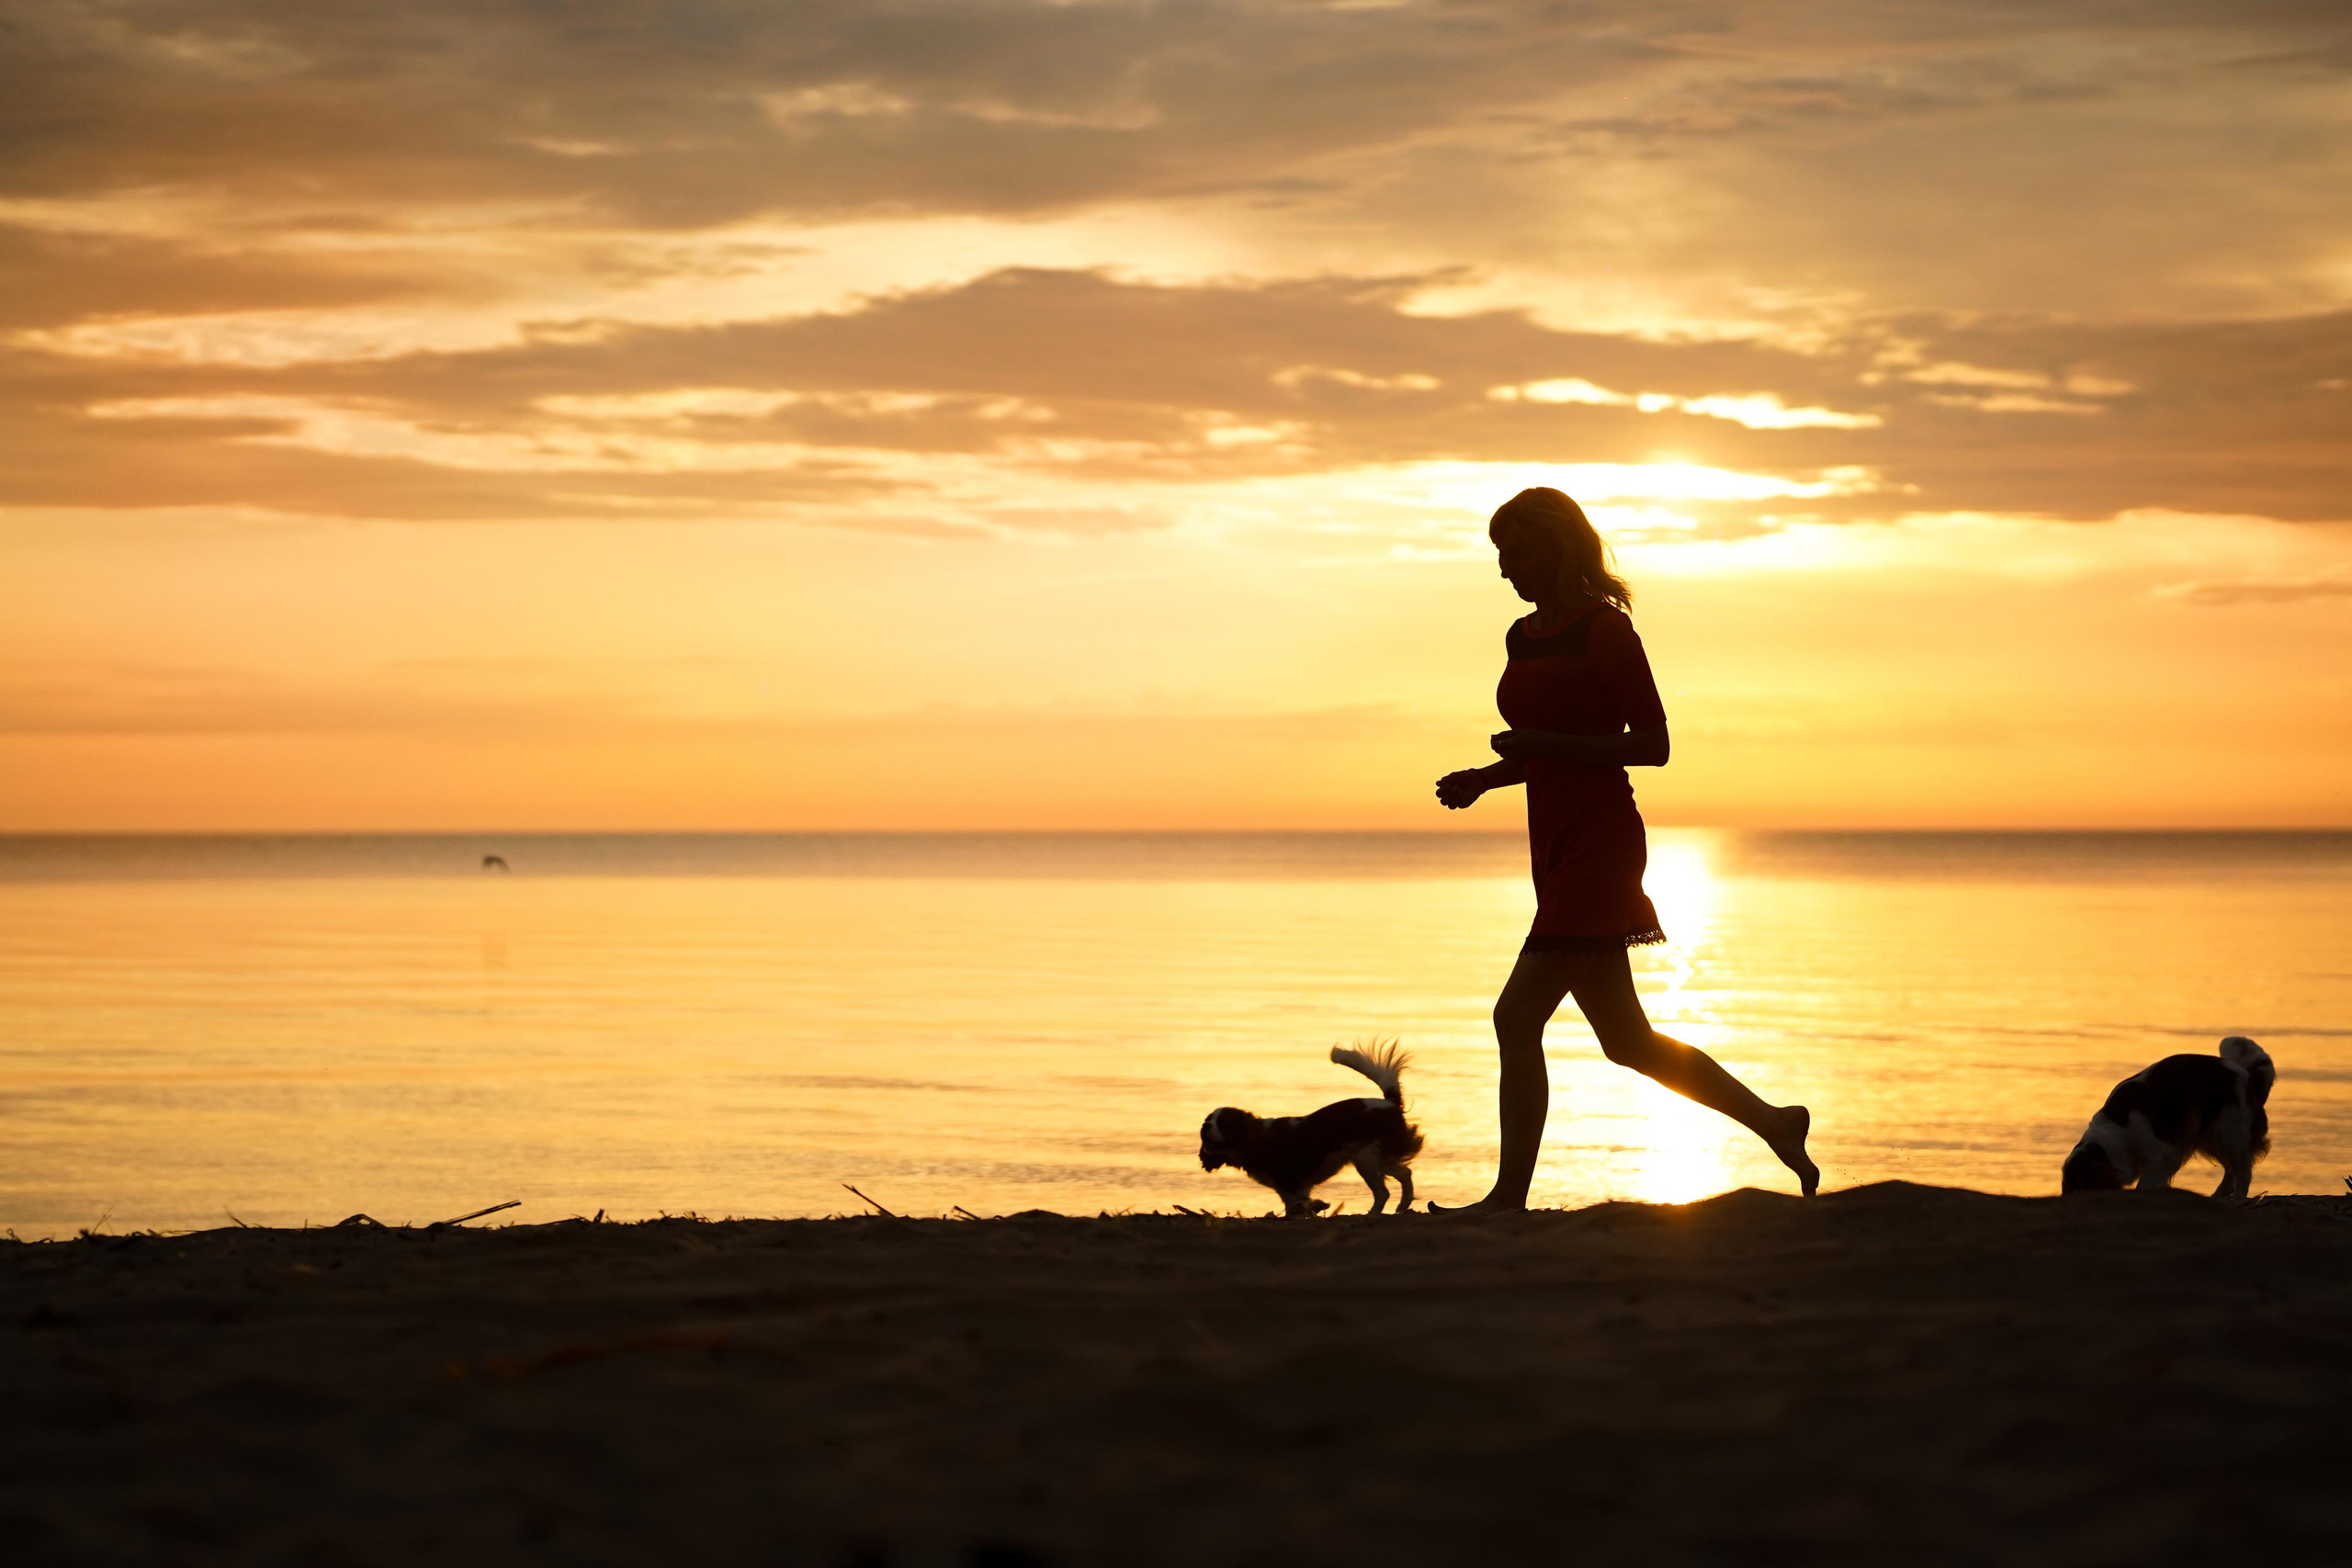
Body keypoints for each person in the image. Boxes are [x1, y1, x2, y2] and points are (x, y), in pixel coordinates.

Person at [1433, 488, 1816, 1212]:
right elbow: (1542, 748)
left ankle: (1507, 1199)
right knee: (1628, 1039)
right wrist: (1486, 778)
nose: (1506, 569)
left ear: (1557, 547)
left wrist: (1545, 745)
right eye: (1499, 556)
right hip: (1552, 841)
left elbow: (1654, 746)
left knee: (1515, 1018)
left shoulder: (1605, 632)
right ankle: (1776, 1121)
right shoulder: (1522, 636)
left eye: (1516, 553)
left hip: (1603, 843)